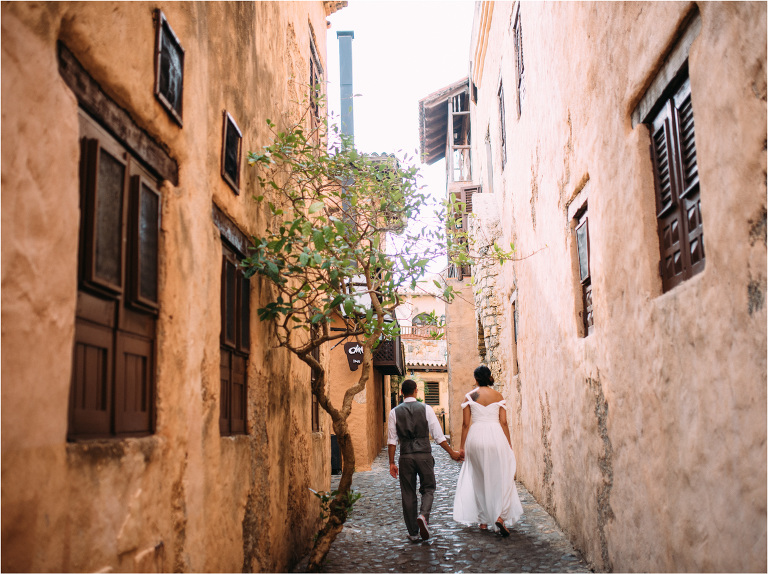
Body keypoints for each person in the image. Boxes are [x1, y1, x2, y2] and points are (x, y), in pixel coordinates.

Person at [453, 365, 523, 536]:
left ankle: (483, 521)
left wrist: (462, 447)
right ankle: (500, 516)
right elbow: (504, 423)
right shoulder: (498, 396)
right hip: (496, 437)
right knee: (502, 476)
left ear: (476, 378)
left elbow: (465, 424)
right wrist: (509, 443)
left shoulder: (470, 396)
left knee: (479, 478)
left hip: (475, 438)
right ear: (489, 377)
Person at [388, 379, 461, 541]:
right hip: (424, 456)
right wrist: (451, 452)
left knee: (408, 492)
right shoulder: (426, 409)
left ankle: (413, 533)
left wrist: (391, 462)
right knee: (428, 487)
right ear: (416, 391)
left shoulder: (394, 412)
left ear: (401, 393)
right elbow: (438, 436)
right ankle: (423, 516)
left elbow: (392, 441)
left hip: (406, 456)